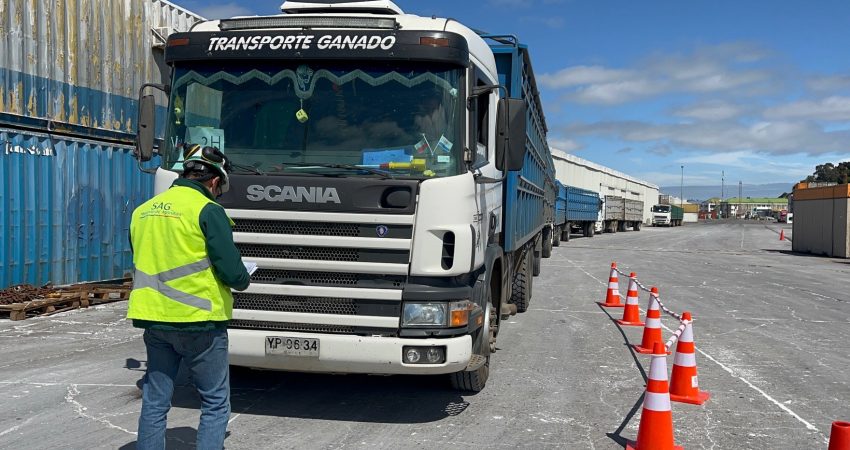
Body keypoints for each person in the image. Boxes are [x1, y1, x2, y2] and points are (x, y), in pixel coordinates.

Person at [127, 144, 250, 450]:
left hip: (154, 320)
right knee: (214, 402)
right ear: (213, 181)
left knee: (155, 401)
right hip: (201, 324)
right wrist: (244, 277)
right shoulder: (208, 210)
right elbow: (233, 272)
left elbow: (149, 259)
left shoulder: (143, 211)